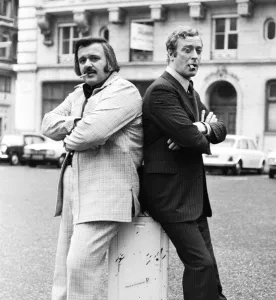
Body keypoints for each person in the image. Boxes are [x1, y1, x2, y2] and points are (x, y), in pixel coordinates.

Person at [42, 37, 143, 300]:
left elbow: (87, 136)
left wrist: (70, 132)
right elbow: (46, 124)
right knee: (64, 268)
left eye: (94, 58)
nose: (87, 64)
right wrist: (77, 121)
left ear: (110, 61)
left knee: (81, 265)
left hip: (107, 190)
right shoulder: (78, 93)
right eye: (82, 59)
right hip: (74, 187)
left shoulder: (125, 92)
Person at [140, 26, 227, 300]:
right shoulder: (162, 91)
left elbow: (220, 128)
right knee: (201, 265)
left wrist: (198, 128)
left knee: (210, 269)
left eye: (198, 50)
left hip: (191, 196)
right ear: (170, 53)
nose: (194, 57)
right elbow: (193, 139)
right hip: (169, 196)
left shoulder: (190, 91)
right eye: (187, 50)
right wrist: (197, 132)